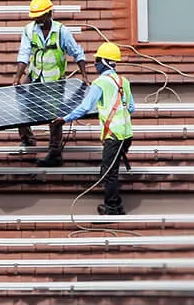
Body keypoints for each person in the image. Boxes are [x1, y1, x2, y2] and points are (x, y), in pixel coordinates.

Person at [52, 42, 135, 215]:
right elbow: (132, 108)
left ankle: (112, 207)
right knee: (110, 169)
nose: (95, 63)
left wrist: (64, 119)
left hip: (114, 136)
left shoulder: (101, 83)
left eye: (97, 60)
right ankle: (117, 203)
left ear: (103, 62)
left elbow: (85, 107)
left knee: (109, 172)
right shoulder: (123, 81)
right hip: (127, 135)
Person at [12, 0, 89, 167]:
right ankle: (27, 139)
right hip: (34, 76)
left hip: (54, 81)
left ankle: (55, 152)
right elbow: (24, 54)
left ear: (49, 14)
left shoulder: (61, 31)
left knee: (54, 116)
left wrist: (84, 76)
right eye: (34, 16)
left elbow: (77, 53)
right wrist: (17, 77)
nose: (36, 19)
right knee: (20, 103)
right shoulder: (29, 30)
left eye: (39, 16)